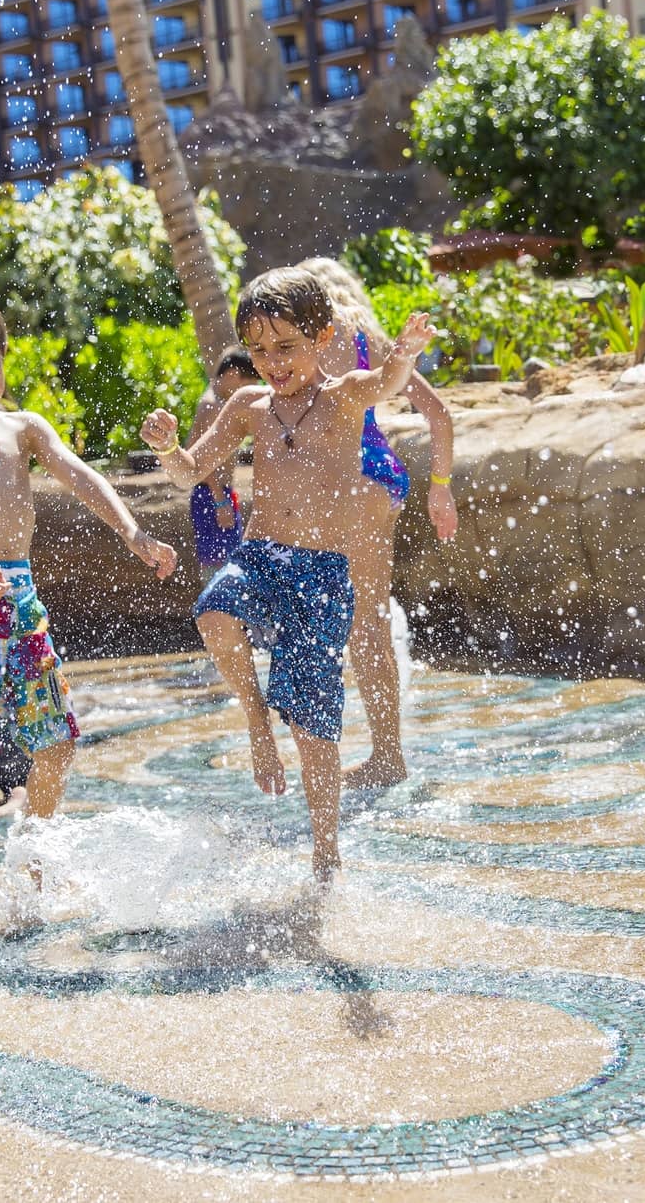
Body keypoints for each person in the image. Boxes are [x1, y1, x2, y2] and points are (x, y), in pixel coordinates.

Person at [0, 286, 178, 946]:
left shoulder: (21, 427)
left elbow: (79, 475)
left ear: (3, 358)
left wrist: (133, 531)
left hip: (17, 595)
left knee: (56, 741)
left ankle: (30, 865)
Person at [140, 267, 437, 882]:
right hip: (260, 557)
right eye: (259, 350)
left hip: (322, 574)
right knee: (214, 611)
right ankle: (256, 724)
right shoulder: (249, 405)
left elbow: (389, 381)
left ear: (322, 336)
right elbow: (189, 471)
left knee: (314, 725)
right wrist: (170, 446)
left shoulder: (346, 395)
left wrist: (404, 353)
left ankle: (325, 853)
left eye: (286, 348)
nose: (271, 363)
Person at [298, 256, 458, 790]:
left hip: (341, 481)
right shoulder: (372, 340)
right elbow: (439, 414)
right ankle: (384, 752)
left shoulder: (308, 338)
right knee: (367, 618)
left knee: (347, 623)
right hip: (380, 476)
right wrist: (440, 489)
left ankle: (380, 757)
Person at [186, 347, 261, 577]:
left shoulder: (213, 398)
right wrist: (220, 501)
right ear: (232, 375)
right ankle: (216, 611)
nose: (248, 391)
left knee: (224, 562)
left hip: (215, 493)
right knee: (220, 567)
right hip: (211, 494)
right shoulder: (213, 406)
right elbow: (196, 458)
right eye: (247, 383)